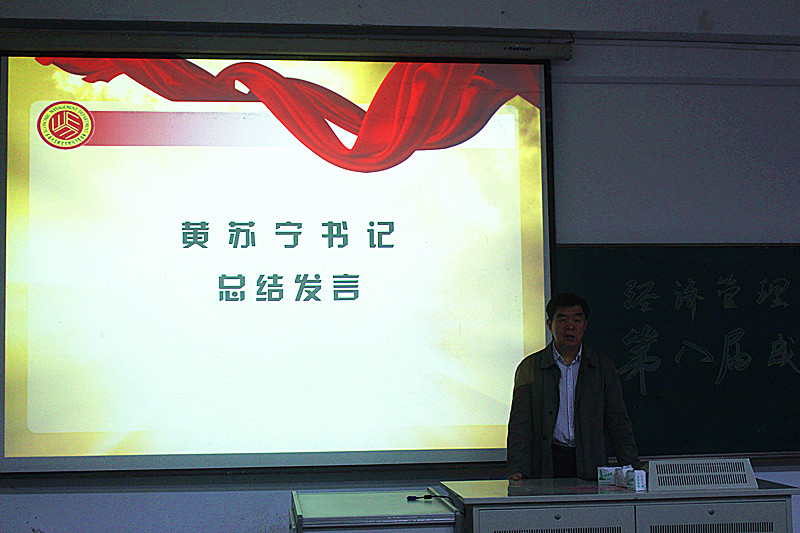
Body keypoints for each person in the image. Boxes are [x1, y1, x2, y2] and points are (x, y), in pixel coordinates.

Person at [507, 293, 642, 480]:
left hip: (590, 462)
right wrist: (517, 469)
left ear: (585, 325)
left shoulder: (602, 367)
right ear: (549, 325)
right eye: (562, 319)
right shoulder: (530, 367)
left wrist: (632, 468)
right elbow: (520, 425)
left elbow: (618, 421)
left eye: (577, 320)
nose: (570, 326)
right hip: (546, 462)